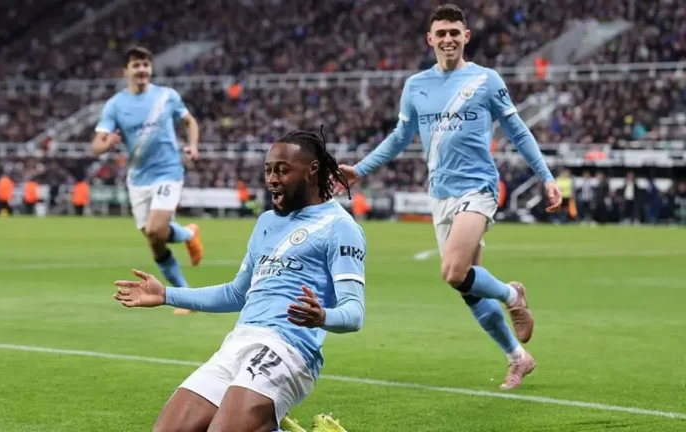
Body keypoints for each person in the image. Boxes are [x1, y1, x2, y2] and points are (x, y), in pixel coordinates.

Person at [335, 4, 562, 390]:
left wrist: (546, 177)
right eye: (441, 33)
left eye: (454, 32)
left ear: (466, 36)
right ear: (430, 39)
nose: (448, 39)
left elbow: (518, 131)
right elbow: (400, 138)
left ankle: (512, 295)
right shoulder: (416, 86)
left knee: (453, 272)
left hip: (479, 188)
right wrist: (361, 169)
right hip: (439, 193)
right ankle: (517, 357)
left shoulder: (486, 80)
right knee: (467, 287)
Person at [113, 129, 363, 432]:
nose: (272, 179)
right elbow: (236, 294)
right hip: (239, 342)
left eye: (283, 170)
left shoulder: (340, 227)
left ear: (312, 170)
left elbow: (354, 313)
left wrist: (323, 316)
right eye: (269, 170)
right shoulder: (267, 222)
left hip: (288, 349)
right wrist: (166, 294)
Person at [93, 46, 203, 314]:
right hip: (138, 179)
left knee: (155, 229)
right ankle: (188, 235)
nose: (142, 69)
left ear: (151, 68)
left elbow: (190, 121)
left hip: (168, 171)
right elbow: (96, 146)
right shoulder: (115, 105)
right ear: (126, 70)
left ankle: (185, 297)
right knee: (154, 240)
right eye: (136, 65)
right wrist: (108, 143)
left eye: (145, 65)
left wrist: (193, 146)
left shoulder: (167, 96)